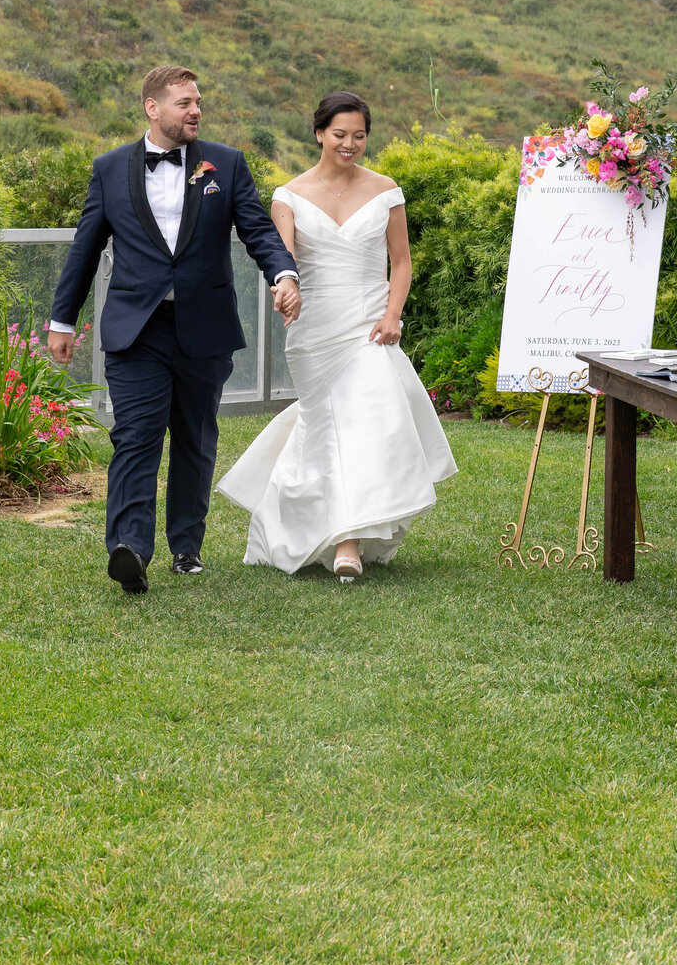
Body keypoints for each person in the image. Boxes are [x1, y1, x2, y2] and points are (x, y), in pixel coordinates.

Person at [47, 65, 302, 596]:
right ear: (152, 108)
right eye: (184, 102)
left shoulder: (226, 165)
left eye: (198, 102)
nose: (195, 111)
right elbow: (85, 248)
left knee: (194, 438)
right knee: (134, 437)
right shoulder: (110, 168)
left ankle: (186, 546)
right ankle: (131, 549)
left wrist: (283, 273)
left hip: (202, 327)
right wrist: (62, 319)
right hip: (135, 331)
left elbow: (256, 228)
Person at [218, 90, 456, 580]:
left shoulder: (386, 189)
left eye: (360, 136)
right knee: (325, 425)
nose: (350, 144)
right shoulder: (289, 195)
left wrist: (393, 315)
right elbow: (281, 261)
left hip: (371, 322)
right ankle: (312, 524)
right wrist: (287, 290)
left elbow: (402, 260)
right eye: (340, 135)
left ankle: (348, 540)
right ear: (320, 133)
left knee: (367, 418)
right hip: (315, 328)